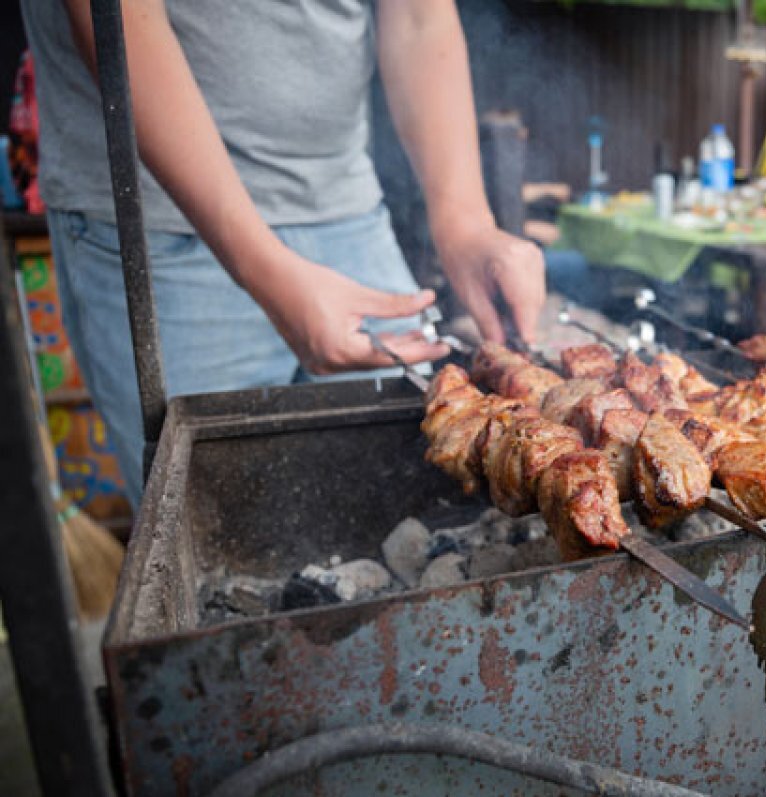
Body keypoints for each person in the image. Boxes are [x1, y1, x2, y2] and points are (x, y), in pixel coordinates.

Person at [21, 1, 546, 506]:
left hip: (348, 212)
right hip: (162, 229)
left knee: (416, 520)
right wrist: (261, 267)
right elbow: (112, 15)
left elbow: (417, 13)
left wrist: (466, 225)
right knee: (223, 548)